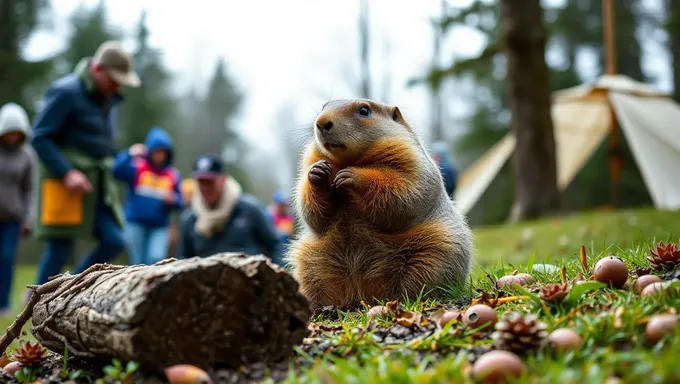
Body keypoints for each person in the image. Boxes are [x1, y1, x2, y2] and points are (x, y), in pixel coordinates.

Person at [30, 40, 141, 286]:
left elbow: (103, 145)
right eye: (114, 80)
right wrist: (67, 173)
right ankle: (36, 302)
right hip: (65, 184)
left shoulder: (109, 100)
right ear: (98, 70)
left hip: (97, 184)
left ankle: (69, 289)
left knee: (114, 240)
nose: (117, 87)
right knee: (60, 248)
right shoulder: (66, 91)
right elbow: (39, 137)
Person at [178, 154, 284, 265]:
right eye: (201, 182)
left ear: (223, 179)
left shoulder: (250, 209)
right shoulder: (190, 219)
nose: (206, 188)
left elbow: (275, 245)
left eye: (210, 182)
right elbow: (183, 259)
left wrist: (280, 277)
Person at [112, 126, 183, 265]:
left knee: (156, 258)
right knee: (137, 262)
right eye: (156, 151)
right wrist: (130, 153)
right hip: (134, 223)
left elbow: (180, 201)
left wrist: (174, 199)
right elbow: (116, 170)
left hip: (159, 226)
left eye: (163, 152)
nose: (159, 156)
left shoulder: (172, 175)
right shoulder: (137, 167)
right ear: (150, 151)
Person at [0, 103, 35, 316]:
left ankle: (2, 304)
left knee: (6, 258)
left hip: (13, 217)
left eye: (17, 133)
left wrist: (29, 218)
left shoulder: (27, 156)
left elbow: (30, 190)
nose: (12, 137)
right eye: (8, 133)